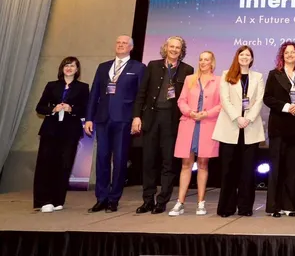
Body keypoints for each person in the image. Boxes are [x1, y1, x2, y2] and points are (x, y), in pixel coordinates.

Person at [132, 36, 194, 214]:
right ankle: (147, 201)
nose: (174, 50)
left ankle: (162, 201)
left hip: (172, 121)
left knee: (168, 163)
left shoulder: (187, 70)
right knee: (148, 161)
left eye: (178, 48)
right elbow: (142, 93)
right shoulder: (152, 66)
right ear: (166, 48)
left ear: (181, 51)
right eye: (171, 46)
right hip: (151, 118)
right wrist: (136, 116)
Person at [85, 35, 145, 213]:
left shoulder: (139, 67)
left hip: (124, 119)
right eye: (118, 42)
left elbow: (140, 96)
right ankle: (101, 198)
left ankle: (114, 199)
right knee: (102, 158)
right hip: (103, 118)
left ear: (131, 47)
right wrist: (89, 118)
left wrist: (137, 117)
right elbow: (94, 93)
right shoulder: (103, 67)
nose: (120, 45)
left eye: (124, 43)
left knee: (119, 160)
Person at [212, 45, 265, 217]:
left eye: (248, 55)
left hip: (250, 128)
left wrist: (248, 118)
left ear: (252, 58)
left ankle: (245, 207)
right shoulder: (227, 75)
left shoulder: (258, 77)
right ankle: (226, 208)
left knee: (247, 171)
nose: (244, 57)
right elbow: (225, 99)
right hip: (230, 126)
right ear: (237, 57)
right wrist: (237, 117)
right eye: (242, 54)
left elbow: (259, 100)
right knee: (228, 170)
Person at [33, 57, 90, 212]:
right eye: (66, 65)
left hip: (70, 131)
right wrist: (53, 109)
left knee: (65, 164)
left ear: (77, 70)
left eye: (72, 66)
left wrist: (72, 109)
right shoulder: (51, 85)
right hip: (50, 130)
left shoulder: (83, 87)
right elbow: (40, 107)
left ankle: (58, 199)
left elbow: (86, 109)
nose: (69, 68)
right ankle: (43, 201)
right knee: (45, 164)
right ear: (62, 68)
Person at [169, 51, 222, 216]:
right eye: (201, 59)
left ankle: (201, 203)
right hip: (189, 124)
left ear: (212, 62)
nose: (203, 62)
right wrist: (189, 112)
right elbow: (181, 100)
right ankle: (180, 202)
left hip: (207, 125)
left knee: (203, 164)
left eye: (206, 60)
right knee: (186, 164)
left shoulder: (219, 81)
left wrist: (206, 114)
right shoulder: (189, 79)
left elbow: (221, 104)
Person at [263, 41, 295, 217]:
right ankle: (274, 207)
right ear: (282, 55)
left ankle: (290, 206)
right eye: (286, 52)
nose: (290, 55)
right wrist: (286, 107)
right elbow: (267, 98)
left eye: (293, 52)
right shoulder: (274, 74)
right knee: (277, 167)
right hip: (278, 126)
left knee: (293, 168)